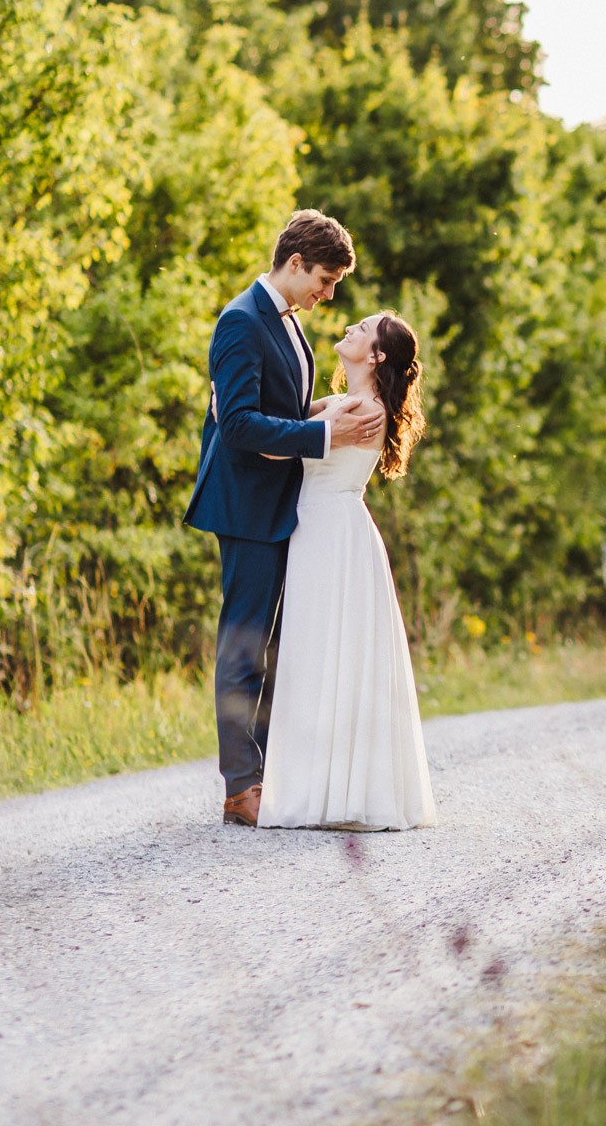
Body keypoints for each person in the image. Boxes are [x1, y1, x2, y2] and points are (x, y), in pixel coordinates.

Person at [183, 210, 384, 827]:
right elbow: (240, 425)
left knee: (275, 646)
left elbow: (287, 408)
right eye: (325, 280)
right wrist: (326, 434)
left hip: (282, 504)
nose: (328, 295)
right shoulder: (240, 321)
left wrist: (338, 411)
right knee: (244, 645)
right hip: (245, 507)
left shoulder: (289, 324)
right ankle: (240, 787)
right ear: (295, 264)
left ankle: (270, 774)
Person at [256, 311, 437, 831]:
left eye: (363, 329)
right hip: (320, 529)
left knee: (326, 651)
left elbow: (278, 441)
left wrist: (232, 416)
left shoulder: (364, 412)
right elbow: (289, 418)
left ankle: (335, 793)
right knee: (319, 653)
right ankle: (322, 788)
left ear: (376, 356)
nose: (351, 330)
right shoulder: (344, 403)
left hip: (332, 532)